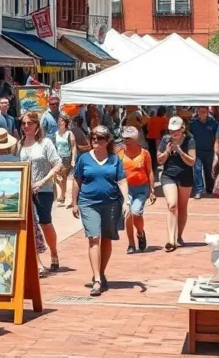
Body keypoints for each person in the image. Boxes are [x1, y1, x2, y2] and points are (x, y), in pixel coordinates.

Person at [72, 126, 130, 297]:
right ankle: (97, 279)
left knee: (106, 238)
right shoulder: (83, 159)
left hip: (111, 203)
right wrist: (73, 202)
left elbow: (121, 181)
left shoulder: (114, 159)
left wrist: (126, 201)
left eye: (100, 138)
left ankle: (101, 272)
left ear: (107, 141)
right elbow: (77, 180)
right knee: (94, 237)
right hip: (88, 202)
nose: (95, 141)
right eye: (93, 138)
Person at [19, 112, 64, 273]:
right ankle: (37, 262)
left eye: (29, 123)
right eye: (23, 123)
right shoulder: (20, 144)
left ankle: (53, 252)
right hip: (25, 190)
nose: (26, 126)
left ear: (37, 125)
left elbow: (57, 165)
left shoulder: (45, 143)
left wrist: (42, 181)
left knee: (45, 223)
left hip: (43, 190)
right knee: (31, 226)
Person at [157, 116, 196, 251]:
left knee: (182, 206)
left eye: (177, 130)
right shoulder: (165, 140)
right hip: (169, 176)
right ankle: (170, 240)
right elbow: (160, 160)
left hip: (185, 176)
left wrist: (180, 151)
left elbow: (192, 161)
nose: (174, 133)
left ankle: (178, 236)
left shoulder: (190, 140)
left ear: (182, 129)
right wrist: (167, 151)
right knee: (172, 205)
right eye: (172, 130)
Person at [118, 126, 154, 253]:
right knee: (127, 214)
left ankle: (140, 233)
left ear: (135, 139)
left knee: (136, 212)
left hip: (141, 188)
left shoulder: (144, 153)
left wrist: (152, 189)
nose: (126, 141)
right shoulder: (120, 154)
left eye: (128, 139)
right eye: (124, 139)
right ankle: (131, 244)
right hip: (126, 189)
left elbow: (149, 171)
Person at [188, 106, 219, 198]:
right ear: (197, 112)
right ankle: (199, 190)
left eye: (204, 112)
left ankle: (210, 189)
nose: (202, 113)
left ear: (207, 112)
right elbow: (189, 136)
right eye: (200, 111)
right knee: (197, 170)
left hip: (209, 151)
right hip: (197, 151)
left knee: (209, 171)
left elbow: (217, 137)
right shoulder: (193, 124)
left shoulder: (213, 123)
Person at [54, 113, 77, 207]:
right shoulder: (56, 133)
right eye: (59, 121)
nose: (60, 122)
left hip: (67, 158)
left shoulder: (69, 133)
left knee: (66, 178)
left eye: (62, 121)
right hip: (58, 158)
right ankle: (62, 196)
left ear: (65, 122)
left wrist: (73, 159)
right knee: (59, 178)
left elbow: (73, 146)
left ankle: (66, 198)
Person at [145, 107, 169, 180]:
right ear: (164, 112)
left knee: (151, 155)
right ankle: (155, 174)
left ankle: (151, 172)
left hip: (150, 138)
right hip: (158, 139)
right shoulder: (165, 120)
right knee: (157, 155)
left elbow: (148, 128)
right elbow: (164, 130)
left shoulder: (151, 119)